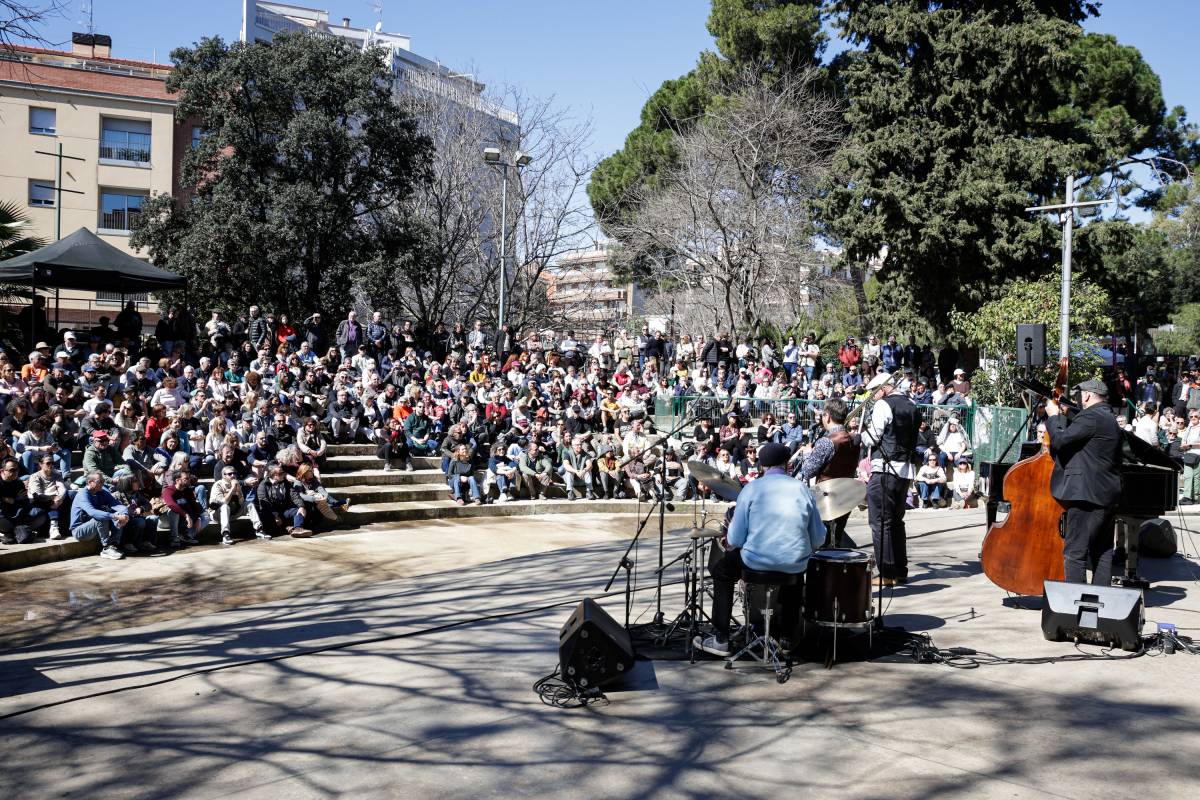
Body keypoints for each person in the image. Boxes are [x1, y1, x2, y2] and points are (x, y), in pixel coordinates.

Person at [694, 443, 826, 657]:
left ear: (762, 466)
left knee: (721, 571)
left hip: (755, 562)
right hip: (793, 563)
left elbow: (735, 538)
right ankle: (786, 639)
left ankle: (721, 639)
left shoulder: (752, 489)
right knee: (794, 576)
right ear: (787, 465)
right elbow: (819, 538)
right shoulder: (802, 489)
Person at [1044, 379, 1123, 585]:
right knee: (1102, 551)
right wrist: (1068, 413)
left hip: (1086, 495)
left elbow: (1060, 441)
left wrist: (1053, 417)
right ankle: (1099, 605)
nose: (1079, 399)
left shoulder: (1092, 416)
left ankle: (1076, 606)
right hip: (1105, 493)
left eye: (1080, 395)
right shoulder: (1107, 416)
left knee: (1075, 553)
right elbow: (1085, 433)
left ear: (1087, 395)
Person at [860, 374, 918, 586]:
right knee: (896, 521)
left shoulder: (884, 405)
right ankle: (900, 570)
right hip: (905, 471)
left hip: (884, 469)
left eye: (875, 392)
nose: (873, 397)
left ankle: (886, 573)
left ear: (883, 389)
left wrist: (862, 431)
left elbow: (872, 437)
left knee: (880, 523)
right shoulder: (912, 404)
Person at [797, 397, 859, 547]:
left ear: (828, 416)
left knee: (822, 542)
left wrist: (806, 454)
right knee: (837, 538)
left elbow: (808, 471)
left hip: (826, 496)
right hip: (847, 493)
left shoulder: (827, 441)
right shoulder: (855, 439)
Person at [70, 469, 130, 560]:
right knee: (102, 516)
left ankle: (113, 545)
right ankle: (106, 548)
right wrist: (114, 516)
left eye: (103, 481)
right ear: (90, 482)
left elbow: (117, 504)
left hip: (96, 527)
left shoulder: (102, 491)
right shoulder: (82, 495)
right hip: (80, 530)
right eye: (100, 481)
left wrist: (125, 515)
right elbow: (93, 512)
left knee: (117, 514)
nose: (102, 483)